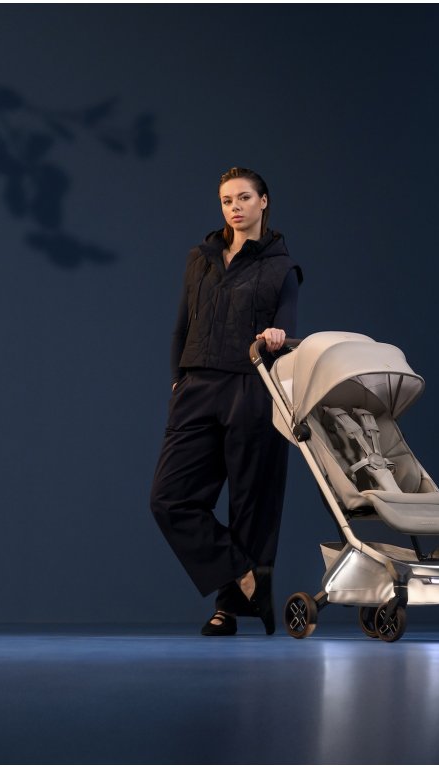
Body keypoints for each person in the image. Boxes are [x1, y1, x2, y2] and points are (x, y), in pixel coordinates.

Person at [149, 167, 302, 636]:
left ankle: (227, 610)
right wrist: (178, 381)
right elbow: (181, 326)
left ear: (263, 202)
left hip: (253, 388)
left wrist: (276, 335)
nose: (234, 207)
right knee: (169, 499)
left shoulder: (282, 268)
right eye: (226, 200)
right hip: (197, 386)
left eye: (243, 198)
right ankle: (247, 575)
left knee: (251, 499)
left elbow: (286, 325)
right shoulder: (201, 258)